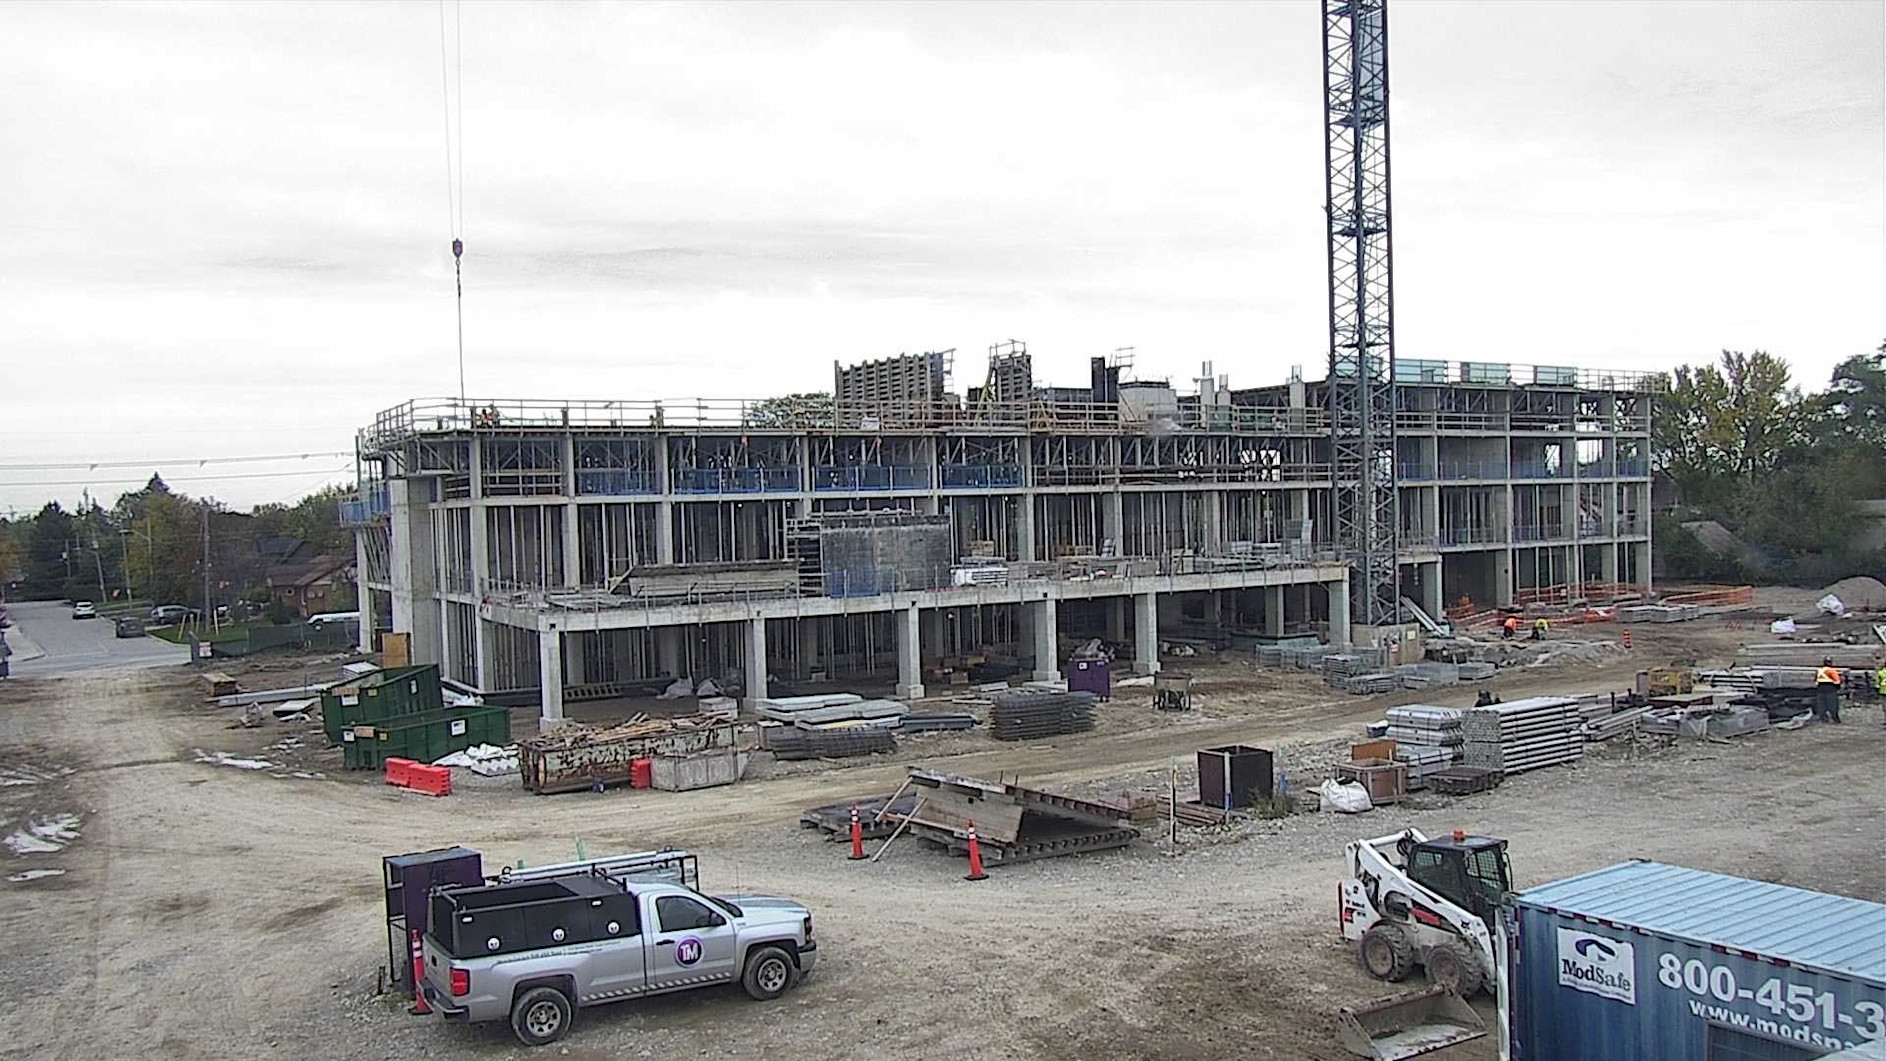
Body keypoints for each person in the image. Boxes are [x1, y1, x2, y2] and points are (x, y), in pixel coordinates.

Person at [1814, 658, 1843, 723]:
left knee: (1822, 706)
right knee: (1833, 706)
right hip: (1831, 691)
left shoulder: (1819, 671)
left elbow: (1816, 682)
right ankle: (1835, 719)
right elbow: (1837, 682)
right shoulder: (1833, 671)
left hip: (1821, 690)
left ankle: (1823, 719)